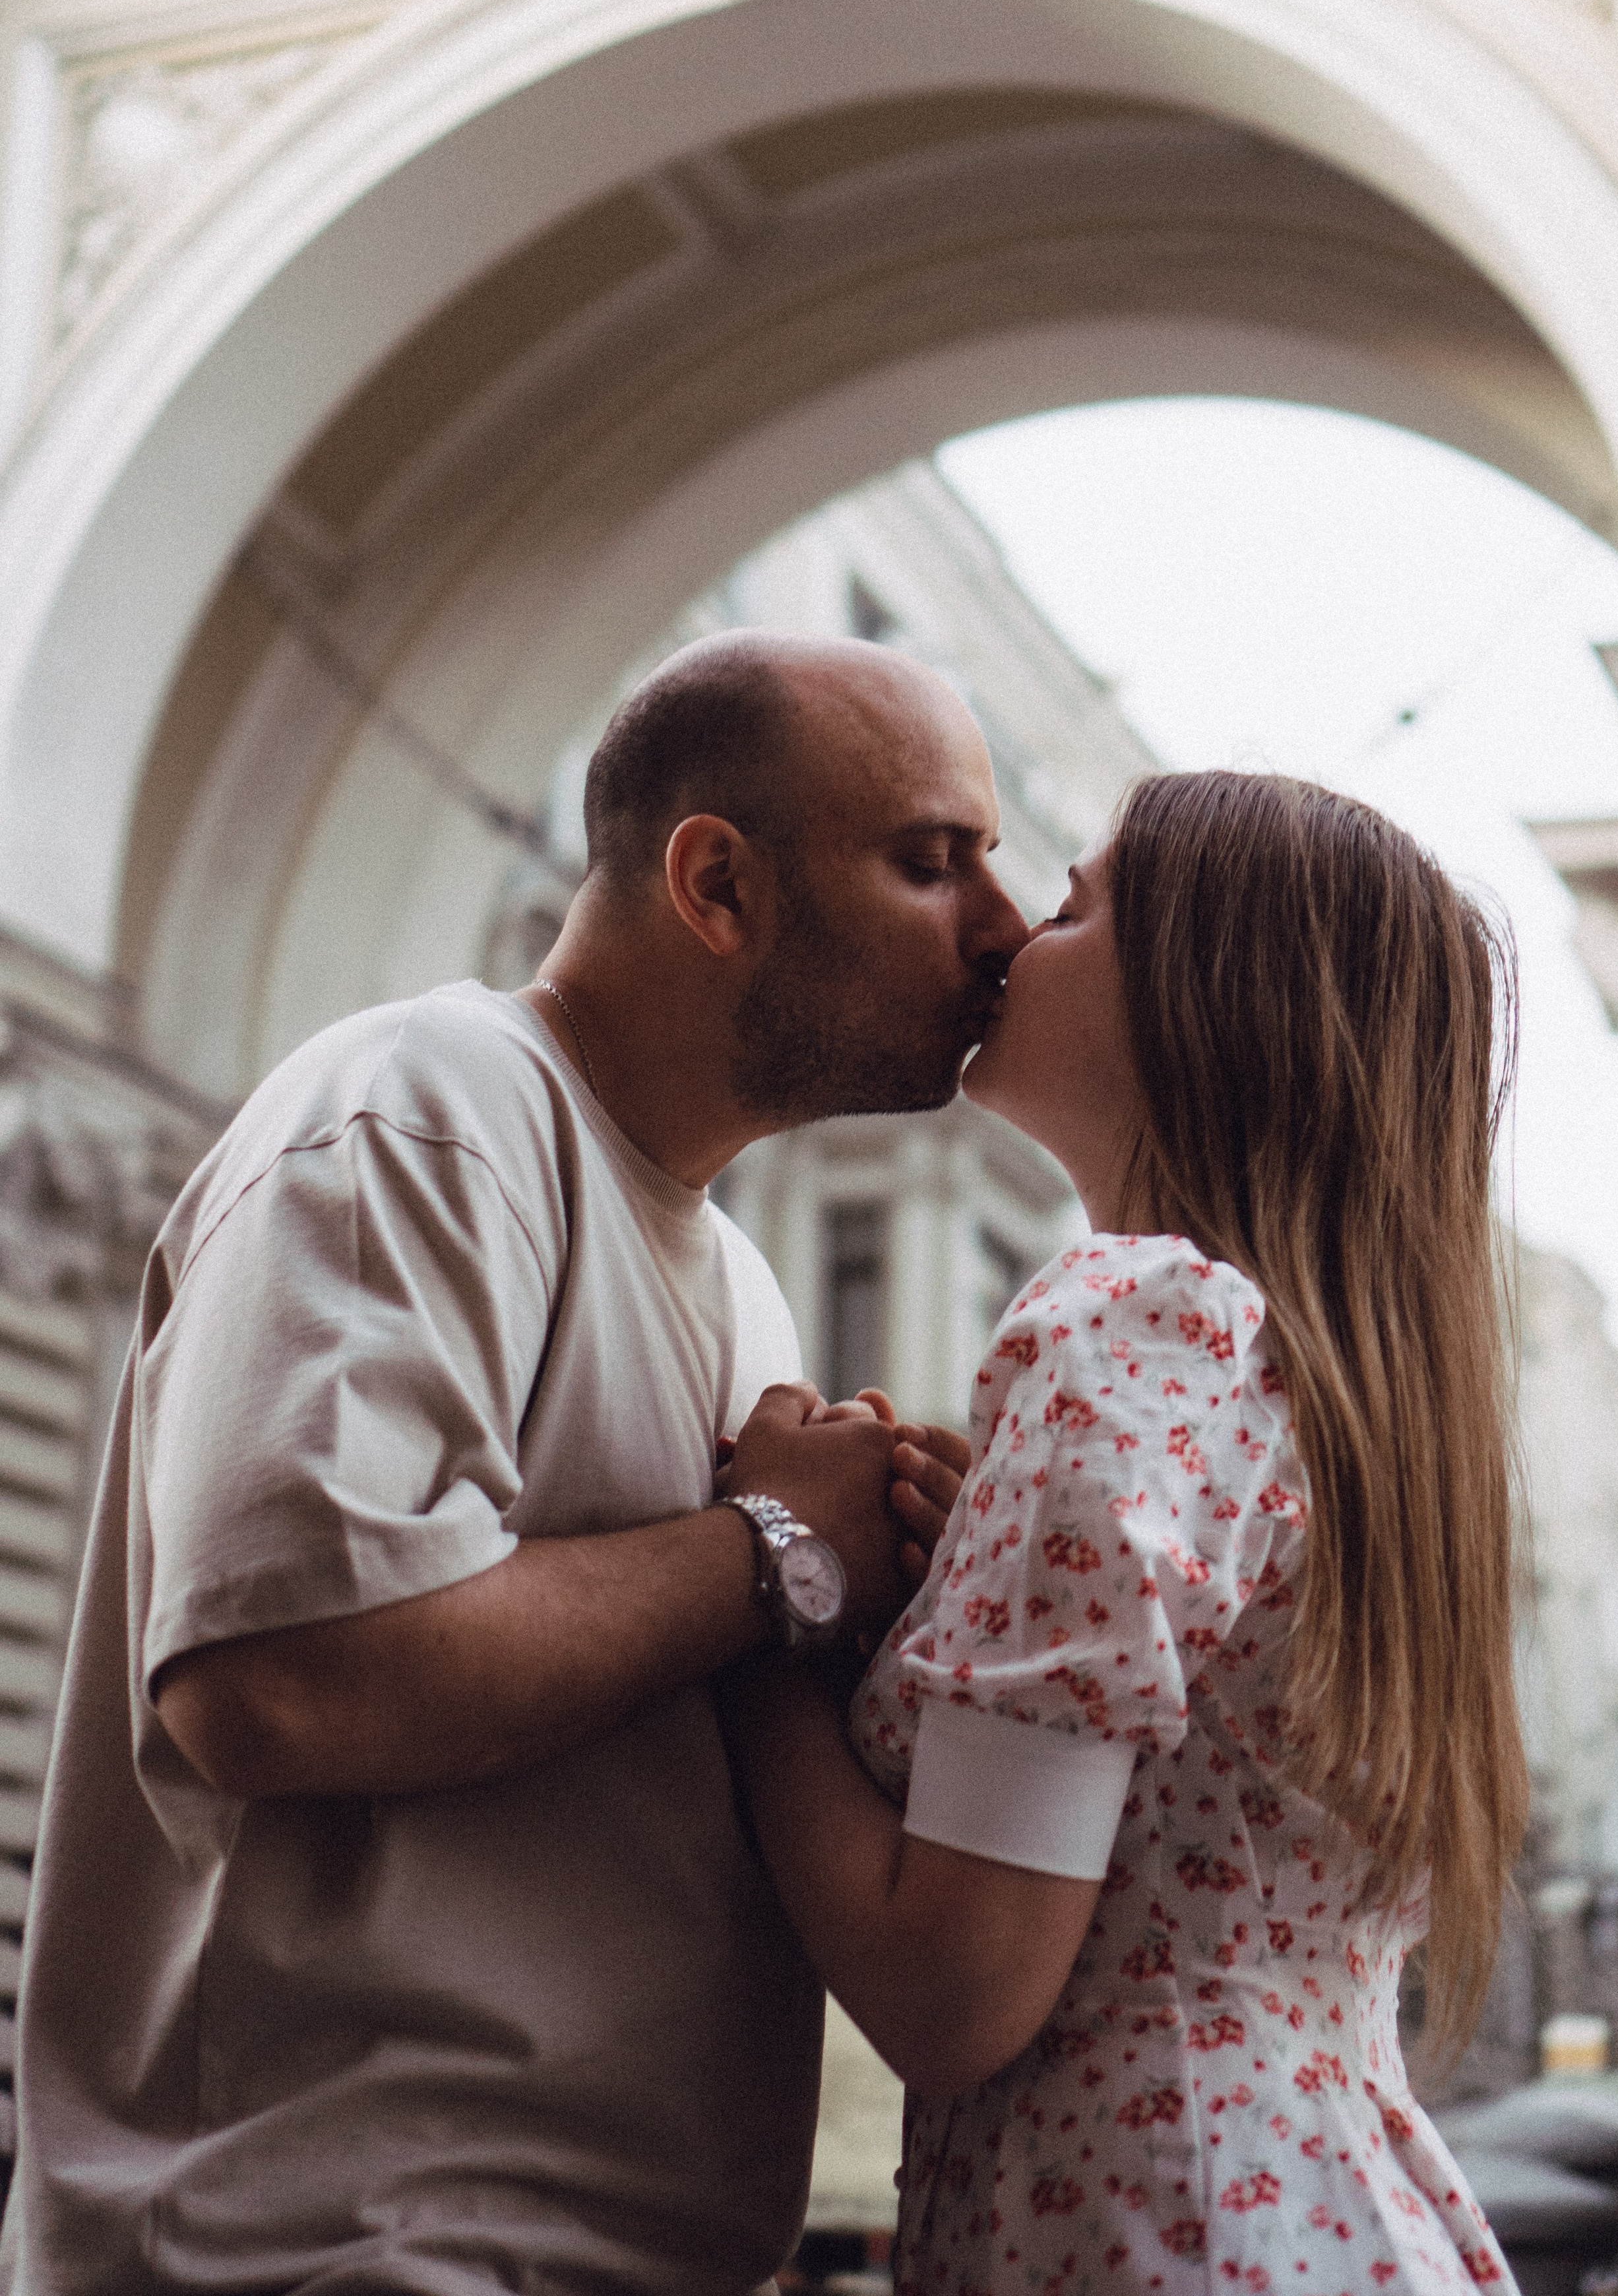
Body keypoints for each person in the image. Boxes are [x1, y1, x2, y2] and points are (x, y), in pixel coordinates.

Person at [3, 632, 1028, 2296]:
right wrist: (778, 1551)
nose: (999, 925)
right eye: (931, 861)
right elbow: (280, 1680)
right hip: (340, 2246)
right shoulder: (425, 1109)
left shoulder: (741, 1284)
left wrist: (896, 1580)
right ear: (717, 885)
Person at [722, 768, 1530, 2293]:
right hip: (1325, 2213)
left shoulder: (1130, 1317)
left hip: (1166, 2229)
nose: (1017, 928)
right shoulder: (1321, 1386)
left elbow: (952, 1990)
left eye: (1078, 905)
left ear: (1202, 998)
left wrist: (764, 1592)